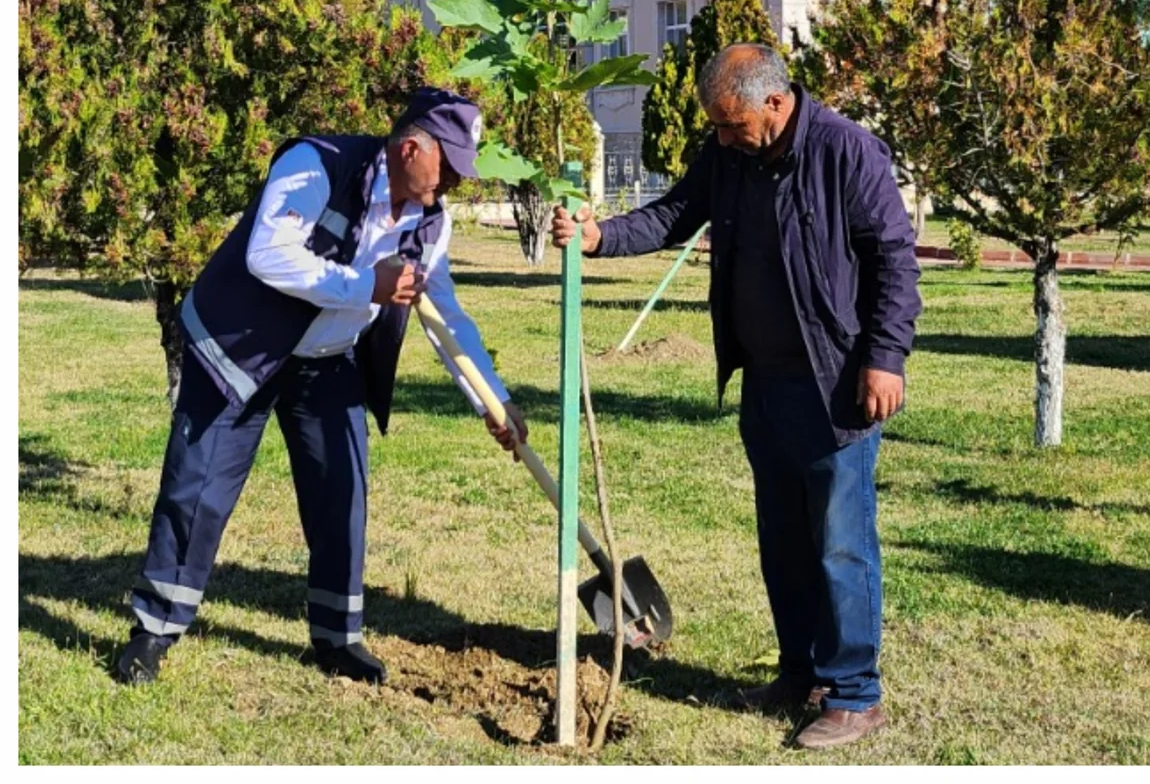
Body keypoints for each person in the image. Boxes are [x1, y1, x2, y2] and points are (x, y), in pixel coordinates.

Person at [551, 44, 921, 749]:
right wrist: (598, 237)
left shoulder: (847, 152)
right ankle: (798, 670)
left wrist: (885, 357)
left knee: (842, 543)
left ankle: (854, 693)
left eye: (731, 124)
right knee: (782, 543)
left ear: (775, 105)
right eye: (717, 126)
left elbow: (894, 259)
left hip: (836, 385)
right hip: (766, 383)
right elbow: (672, 215)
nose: (721, 138)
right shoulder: (727, 156)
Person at [117, 88, 527, 686]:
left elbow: (447, 318)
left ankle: (338, 639)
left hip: (327, 359)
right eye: (451, 166)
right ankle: (153, 632)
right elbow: (268, 254)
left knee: (343, 491)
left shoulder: (430, 221)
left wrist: (491, 398)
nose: (458, 183)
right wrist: (367, 286)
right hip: (241, 346)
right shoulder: (317, 163)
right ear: (411, 147)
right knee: (197, 491)